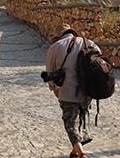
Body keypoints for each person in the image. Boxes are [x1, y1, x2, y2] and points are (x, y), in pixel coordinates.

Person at [44, 24, 100, 158]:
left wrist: (54, 89)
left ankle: (82, 154)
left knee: (70, 124)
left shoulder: (55, 47)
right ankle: (74, 152)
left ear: (58, 36)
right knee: (78, 119)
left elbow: (49, 73)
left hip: (67, 92)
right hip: (87, 91)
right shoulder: (89, 43)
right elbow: (99, 60)